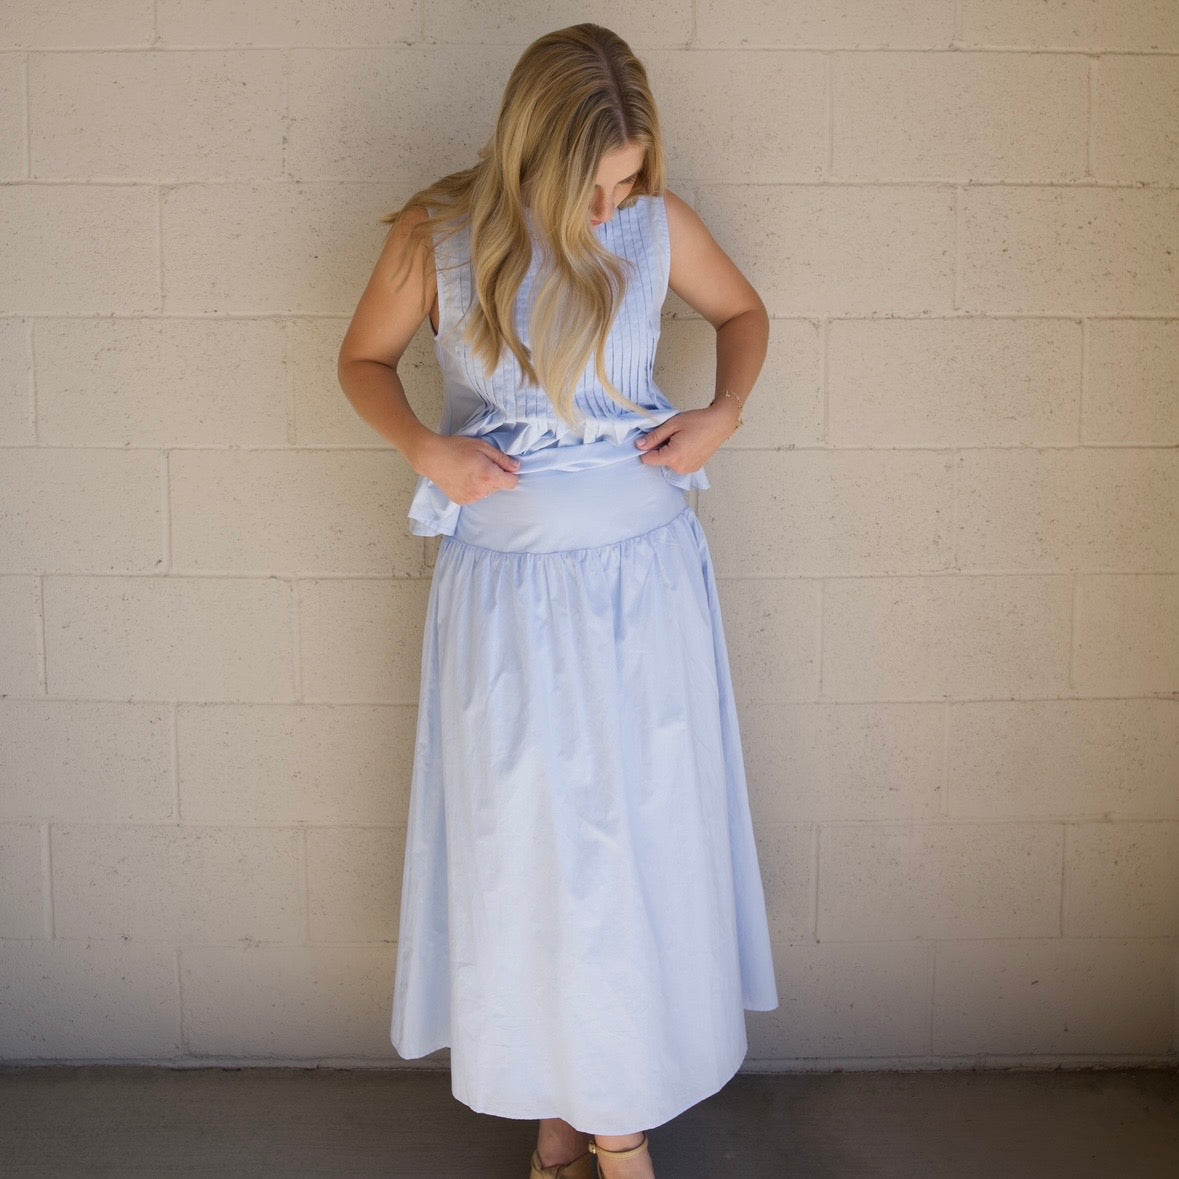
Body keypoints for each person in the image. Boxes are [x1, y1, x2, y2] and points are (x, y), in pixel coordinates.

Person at [337, 23, 779, 1179]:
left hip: (648, 586)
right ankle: (582, 1112)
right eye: (591, 183)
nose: (609, 207)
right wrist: (428, 450)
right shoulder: (432, 238)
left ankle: (589, 1118)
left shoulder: (653, 226)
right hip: (508, 601)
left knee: (634, 846)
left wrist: (722, 412)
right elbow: (362, 364)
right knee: (531, 847)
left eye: (626, 180)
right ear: (529, 147)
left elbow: (745, 316)